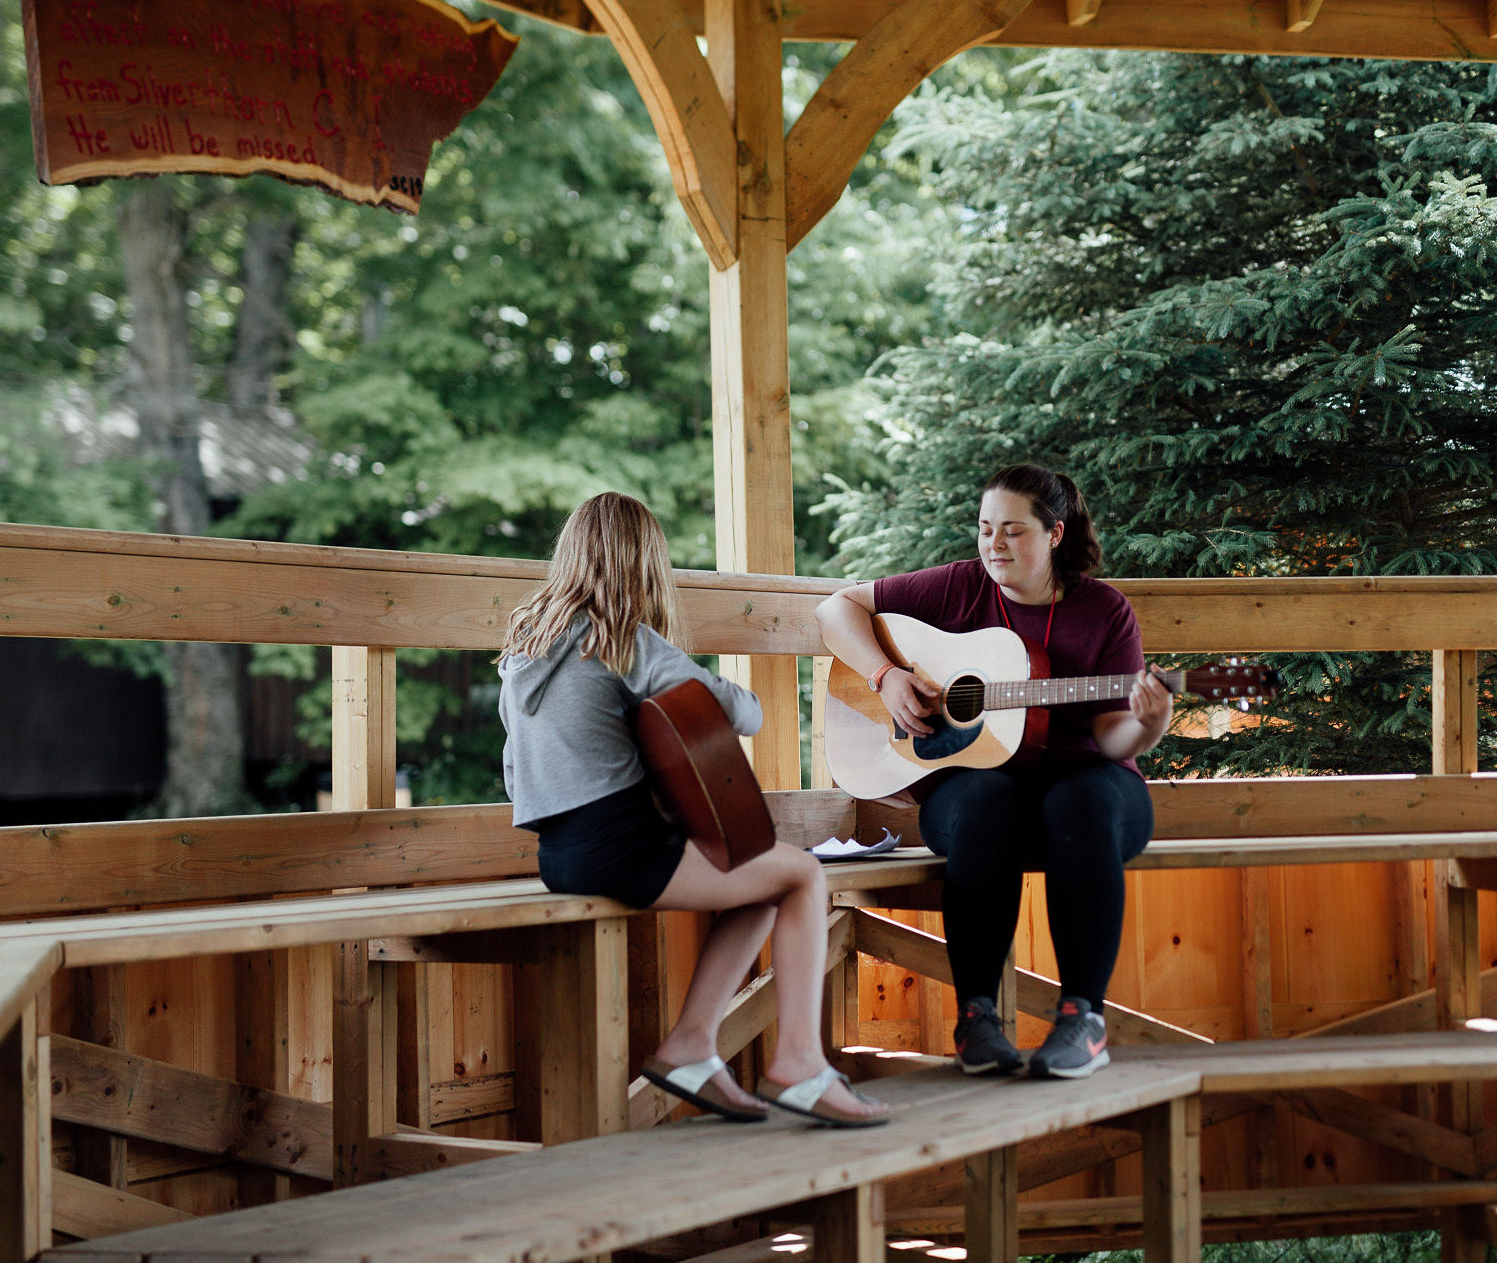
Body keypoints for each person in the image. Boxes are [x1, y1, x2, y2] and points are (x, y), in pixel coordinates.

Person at [498, 492, 887, 1128]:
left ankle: (690, 1046)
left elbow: (519, 774)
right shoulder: (626, 641)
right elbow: (747, 714)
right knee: (802, 873)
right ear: (647, 564)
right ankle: (798, 1064)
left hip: (557, 856)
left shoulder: (524, 651)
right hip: (624, 851)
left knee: (759, 882)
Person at [816, 465, 1170, 1079]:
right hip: (980, 796)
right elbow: (835, 608)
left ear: (1056, 533)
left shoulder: (1103, 611)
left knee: (1079, 799)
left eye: (1013, 530)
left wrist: (1151, 723)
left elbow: (1113, 738)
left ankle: (1082, 1020)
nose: (994, 545)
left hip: (1089, 793)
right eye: (985, 529)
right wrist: (887, 675)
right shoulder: (957, 588)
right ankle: (977, 1021)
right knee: (986, 800)